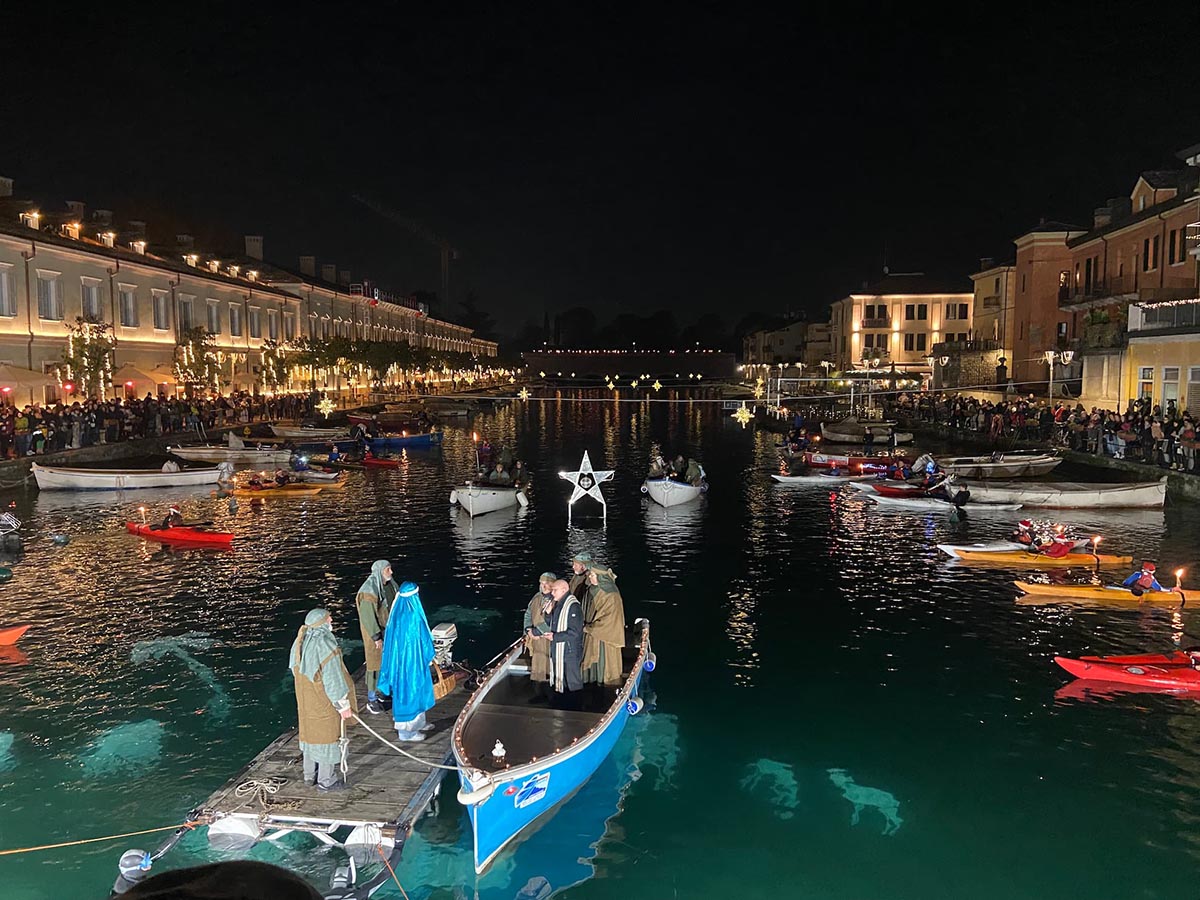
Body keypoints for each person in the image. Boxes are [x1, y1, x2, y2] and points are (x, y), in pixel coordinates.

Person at [289, 609, 356, 792]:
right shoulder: (325, 644)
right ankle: (327, 781)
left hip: (306, 700)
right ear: (322, 623)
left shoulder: (299, 641)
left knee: (310, 736)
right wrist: (342, 704)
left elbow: (294, 670)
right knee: (328, 738)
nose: (331, 620)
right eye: (329, 618)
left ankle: (309, 775)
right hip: (323, 701)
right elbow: (333, 678)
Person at [377, 581, 436, 741]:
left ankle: (419, 723)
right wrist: (429, 654)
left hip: (405, 663)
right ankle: (407, 733)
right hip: (410, 665)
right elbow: (423, 639)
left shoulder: (396, 615)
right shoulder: (413, 616)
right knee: (410, 694)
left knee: (417, 692)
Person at [581, 566, 626, 704]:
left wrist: (590, 628)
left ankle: (606, 696)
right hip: (590, 634)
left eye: (593, 575)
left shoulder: (611, 595)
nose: (590, 577)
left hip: (605, 638)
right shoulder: (591, 590)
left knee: (604, 665)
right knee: (591, 666)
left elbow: (610, 619)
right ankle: (591, 693)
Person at [356, 560, 396, 714]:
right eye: (388, 569)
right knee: (375, 665)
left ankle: (385, 693)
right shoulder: (369, 591)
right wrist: (376, 637)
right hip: (376, 636)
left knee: (387, 662)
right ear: (380, 571)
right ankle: (372, 700)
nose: (391, 572)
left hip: (388, 631)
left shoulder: (389, 585)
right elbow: (368, 617)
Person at [541, 579, 584, 710]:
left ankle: (576, 707)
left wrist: (555, 637)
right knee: (561, 679)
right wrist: (548, 614)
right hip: (559, 648)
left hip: (570, 650)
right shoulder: (559, 604)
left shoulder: (573, 606)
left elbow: (575, 632)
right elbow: (553, 624)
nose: (552, 593)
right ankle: (562, 704)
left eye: (555, 590)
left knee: (572, 680)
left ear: (564, 590)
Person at [523, 572, 556, 702]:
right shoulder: (537, 597)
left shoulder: (556, 599)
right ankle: (539, 694)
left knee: (549, 667)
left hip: (549, 640)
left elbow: (554, 620)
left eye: (547, 583)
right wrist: (528, 630)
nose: (544, 586)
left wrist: (537, 631)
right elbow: (528, 614)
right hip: (536, 641)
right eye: (542, 583)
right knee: (537, 666)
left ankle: (552, 696)